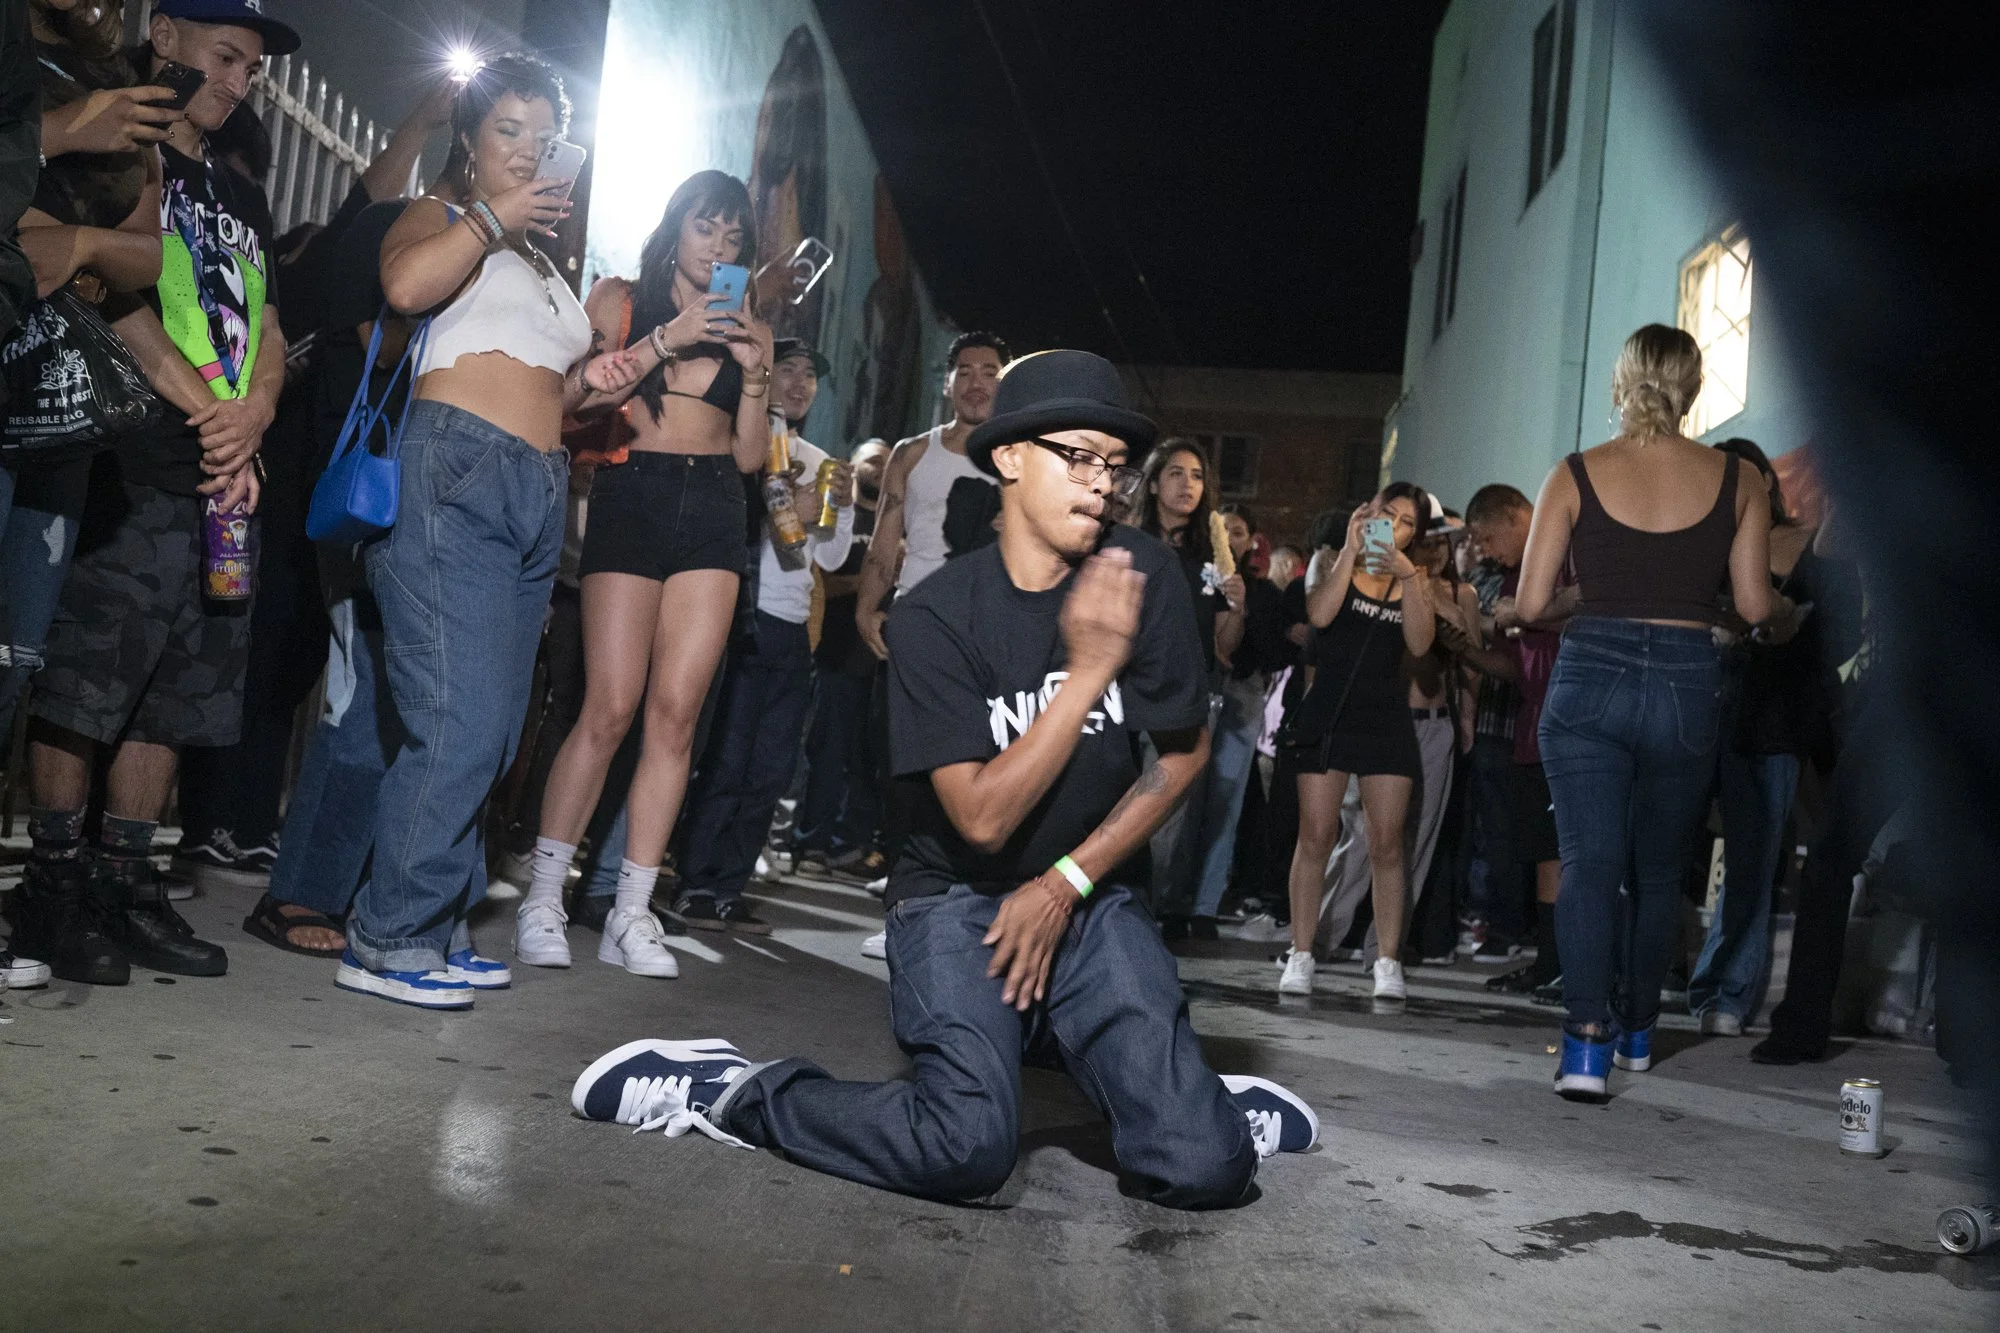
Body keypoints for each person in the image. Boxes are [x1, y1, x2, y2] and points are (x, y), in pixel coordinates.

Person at [567, 349, 1317, 1204]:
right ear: (1008, 458)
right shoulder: (934, 618)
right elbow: (984, 821)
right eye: (1077, 456)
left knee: (1206, 1165)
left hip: (1089, 892)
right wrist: (1087, 672)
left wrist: (1067, 882)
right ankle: (735, 1091)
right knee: (964, 1147)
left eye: (1114, 465)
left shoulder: (1143, 576)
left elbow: (1181, 757)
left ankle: (1186, 1102)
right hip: (955, 900)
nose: (1102, 482)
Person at [337, 52, 643, 1008]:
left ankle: (435, 917)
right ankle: (385, 937)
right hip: (453, 471)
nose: (527, 153)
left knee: (500, 727)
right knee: (457, 719)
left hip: (536, 487)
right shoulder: (445, 216)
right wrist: (489, 217)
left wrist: (599, 383)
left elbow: (549, 383)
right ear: (471, 139)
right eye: (508, 131)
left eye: (543, 138)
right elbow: (404, 289)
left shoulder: (548, 263)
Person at [14, 0, 302, 987]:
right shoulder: (116, 151)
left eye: (253, 72)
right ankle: (52, 884)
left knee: (176, 693)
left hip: (220, 472)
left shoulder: (238, 189)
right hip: (130, 453)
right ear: (166, 37)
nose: (237, 82)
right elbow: (115, 300)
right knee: (90, 682)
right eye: (227, 57)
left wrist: (253, 415)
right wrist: (209, 411)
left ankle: (125, 882)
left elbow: (264, 325)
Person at [175, 78, 455, 894]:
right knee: (260, 653)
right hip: (277, 476)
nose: (247, 195)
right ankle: (219, 820)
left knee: (289, 658)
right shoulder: (308, 258)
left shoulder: (284, 253)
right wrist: (421, 121)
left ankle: (244, 821)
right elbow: (357, 213)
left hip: (298, 481)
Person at [514, 169, 773, 977]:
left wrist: (756, 371)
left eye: (734, 236)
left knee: (676, 718)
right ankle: (543, 898)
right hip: (634, 495)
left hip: (716, 507)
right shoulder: (620, 299)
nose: (719, 247)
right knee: (609, 707)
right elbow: (572, 399)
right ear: (677, 226)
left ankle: (632, 911)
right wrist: (672, 336)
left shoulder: (751, 327)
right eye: (706, 228)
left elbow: (750, 456)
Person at [1518, 323, 1774, 1100]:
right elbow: (1757, 605)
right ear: (1692, 387)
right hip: (1688, 678)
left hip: (1590, 671)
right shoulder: (1739, 480)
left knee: (1590, 867)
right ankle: (1636, 1032)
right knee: (1659, 874)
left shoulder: (1573, 473)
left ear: (1621, 382)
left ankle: (1585, 1047)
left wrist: (1587, 596)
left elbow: (1529, 604)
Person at [669, 338, 853, 932]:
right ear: (766, 380)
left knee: (771, 769)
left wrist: (838, 506)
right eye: (789, 371)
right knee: (726, 759)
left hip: (795, 630)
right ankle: (694, 881)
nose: (799, 384)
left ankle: (728, 887)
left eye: (810, 375)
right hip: (743, 618)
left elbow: (833, 553)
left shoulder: (821, 458)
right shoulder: (745, 446)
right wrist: (782, 500)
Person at [1686, 439, 1849, 1036]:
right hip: (1693, 705)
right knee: (1657, 850)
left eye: (1746, 479)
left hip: (1771, 715)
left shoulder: (1801, 542)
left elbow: (1825, 626)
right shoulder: (1690, 540)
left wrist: (1767, 624)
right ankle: (1658, 976)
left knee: (1754, 865)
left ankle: (1727, 992)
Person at [1278, 482, 1437, 1000]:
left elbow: (1419, 644)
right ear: (1368, 514)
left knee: (1388, 843)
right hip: (1328, 710)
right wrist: (1350, 549)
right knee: (1316, 834)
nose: (1395, 526)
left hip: (1385, 715)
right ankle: (1302, 952)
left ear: (1415, 534)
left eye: (1407, 521)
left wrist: (1409, 576)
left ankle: (1388, 962)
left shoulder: (1416, 577)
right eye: (1387, 514)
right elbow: (1320, 616)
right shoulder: (1331, 560)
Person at [1132, 440, 1245, 938]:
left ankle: (1140, 922)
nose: (1187, 485)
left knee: (1164, 825)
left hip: (1187, 701)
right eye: (1175, 473)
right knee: (1107, 810)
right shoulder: (1125, 541)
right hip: (1123, 694)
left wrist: (1238, 604)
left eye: (1197, 476)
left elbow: (1224, 648)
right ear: (1153, 482)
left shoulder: (1211, 555)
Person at [853, 330, 1007, 658]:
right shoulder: (910, 453)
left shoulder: (1021, 458)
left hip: (989, 625)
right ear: (947, 384)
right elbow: (883, 542)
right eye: (964, 373)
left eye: (989, 373)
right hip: (915, 615)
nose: (977, 384)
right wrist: (865, 610)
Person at [792, 437, 891, 875]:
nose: (879, 468)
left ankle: (849, 845)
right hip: (834, 652)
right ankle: (810, 843)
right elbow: (824, 579)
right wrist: (872, 580)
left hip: (877, 659)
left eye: (887, 463)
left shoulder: (894, 523)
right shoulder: (838, 516)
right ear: (852, 466)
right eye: (871, 460)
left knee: (867, 760)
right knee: (826, 754)